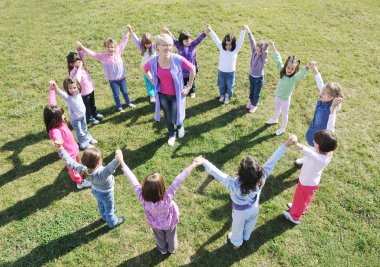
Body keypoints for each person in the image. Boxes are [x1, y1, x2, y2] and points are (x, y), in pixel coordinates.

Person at [196, 135, 297, 249]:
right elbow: (272, 161)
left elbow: (218, 174)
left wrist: (204, 162)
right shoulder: (261, 179)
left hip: (240, 212)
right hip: (254, 208)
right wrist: (285, 145)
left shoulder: (234, 184)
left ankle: (236, 242)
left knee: (237, 228)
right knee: (250, 223)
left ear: (241, 174)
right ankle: (246, 236)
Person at [116, 150, 202, 254]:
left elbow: (133, 180)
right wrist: (193, 164)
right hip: (169, 223)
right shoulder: (167, 198)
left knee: (159, 237)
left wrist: (121, 161)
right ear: (162, 188)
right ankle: (172, 249)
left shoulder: (142, 198)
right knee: (172, 236)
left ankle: (162, 249)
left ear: (144, 189)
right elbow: (178, 180)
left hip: (155, 224)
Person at [283, 97, 342, 224]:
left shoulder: (317, 157)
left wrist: (295, 143)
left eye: (315, 142)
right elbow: (331, 128)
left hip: (306, 182)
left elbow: (306, 151)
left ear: (319, 146)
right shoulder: (328, 151)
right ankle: (301, 207)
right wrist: (332, 110)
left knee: (300, 197)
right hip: (312, 182)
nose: (313, 142)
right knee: (304, 199)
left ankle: (295, 216)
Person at [54, 140, 126, 228]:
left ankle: (104, 216)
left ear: (84, 162)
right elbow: (116, 162)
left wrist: (60, 148)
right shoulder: (103, 173)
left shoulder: (82, 169)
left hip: (96, 191)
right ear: (99, 162)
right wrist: (119, 155)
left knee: (101, 204)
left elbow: (69, 161)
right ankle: (112, 222)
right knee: (109, 209)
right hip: (106, 193)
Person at [143, 34, 196, 147]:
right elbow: (145, 69)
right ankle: (172, 134)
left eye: (170, 45)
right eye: (165, 45)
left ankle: (180, 126)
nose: (168, 48)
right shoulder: (153, 61)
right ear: (158, 47)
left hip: (176, 94)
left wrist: (189, 86)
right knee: (168, 115)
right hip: (162, 94)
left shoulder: (176, 59)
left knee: (176, 113)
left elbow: (192, 68)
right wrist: (153, 81)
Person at [77, 26, 136, 113]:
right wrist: (82, 47)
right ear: (105, 48)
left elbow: (123, 42)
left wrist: (128, 31)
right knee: (116, 94)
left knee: (125, 92)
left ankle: (128, 102)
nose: (110, 49)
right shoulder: (103, 56)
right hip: (113, 81)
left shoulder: (118, 52)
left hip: (122, 78)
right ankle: (119, 106)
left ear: (115, 48)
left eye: (112, 47)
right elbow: (93, 54)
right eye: (108, 47)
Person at [295, 61, 343, 166]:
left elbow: (337, 108)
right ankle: (307, 157)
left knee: (316, 148)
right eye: (321, 92)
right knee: (311, 145)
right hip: (314, 128)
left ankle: (307, 160)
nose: (320, 93)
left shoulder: (332, 106)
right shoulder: (323, 99)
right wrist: (315, 70)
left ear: (330, 97)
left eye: (323, 93)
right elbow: (320, 84)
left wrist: (337, 103)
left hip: (322, 135)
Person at [265, 41, 311, 135]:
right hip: (277, 96)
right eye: (288, 67)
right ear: (286, 66)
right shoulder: (282, 70)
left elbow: (301, 74)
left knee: (285, 114)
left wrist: (307, 67)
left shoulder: (294, 78)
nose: (289, 70)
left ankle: (282, 128)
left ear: (295, 69)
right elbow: (278, 60)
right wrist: (273, 46)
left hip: (285, 100)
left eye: (292, 69)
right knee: (277, 109)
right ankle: (274, 119)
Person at [43, 102, 91, 190]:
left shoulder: (61, 123)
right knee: (73, 170)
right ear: (54, 119)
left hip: (73, 150)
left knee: (76, 163)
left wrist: (53, 90)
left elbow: (52, 101)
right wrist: (58, 141)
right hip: (69, 155)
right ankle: (80, 182)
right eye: (61, 115)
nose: (63, 116)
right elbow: (57, 137)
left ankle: (79, 171)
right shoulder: (55, 131)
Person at [49, 79, 97, 150]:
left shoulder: (78, 92)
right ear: (67, 88)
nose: (73, 90)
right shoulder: (67, 96)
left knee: (85, 128)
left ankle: (89, 139)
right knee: (80, 133)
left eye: (74, 88)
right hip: (75, 119)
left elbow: (78, 76)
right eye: (70, 88)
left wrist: (80, 68)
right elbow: (59, 92)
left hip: (82, 116)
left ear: (77, 86)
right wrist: (55, 86)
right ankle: (84, 144)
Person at [163, 25, 208, 98]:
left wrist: (205, 32)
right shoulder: (179, 45)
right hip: (182, 69)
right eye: (186, 41)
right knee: (183, 80)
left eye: (189, 40)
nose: (188, 42)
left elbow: (199, 39)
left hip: (191, 68)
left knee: (192, 80)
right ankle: (184, 88)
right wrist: (168, 32)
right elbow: (173, 39)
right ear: (182, 41)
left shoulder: (193, 44)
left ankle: (192, 91)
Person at [208, 24, 246, 104]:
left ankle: (227, 96)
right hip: (221, 71)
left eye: (230, 45)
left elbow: (241, 41)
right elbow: (216, 39)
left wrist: (243, 30)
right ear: (224, 43)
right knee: (221, 84)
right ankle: (222, 95)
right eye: (226, 44)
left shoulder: (235, 50)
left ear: (233, 44)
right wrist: (210, 30)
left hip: (230, 72)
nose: (228, 46)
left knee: (230, 85)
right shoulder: (221, 48)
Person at [67, 49, 103, 125]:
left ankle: (94, 113)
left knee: (92, 104)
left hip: (90, 89)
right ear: (71, 64)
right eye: (75, 61)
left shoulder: (82, 65)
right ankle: (90, 117)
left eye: (79, 60)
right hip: (83, 93)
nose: (78, 62)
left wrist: (79, 50)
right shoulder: (72, 72)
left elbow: (82, 56)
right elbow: (76, 79)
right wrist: (77, 68)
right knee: (87, 107)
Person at [129, 26, 157, 103]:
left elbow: (160, 41)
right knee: (149, 81)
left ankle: (157, 92)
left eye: (149, 43)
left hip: (155, 67)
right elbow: (135, 40)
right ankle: (152, 95)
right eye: (146, 44)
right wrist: (131, 31)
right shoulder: (141, 47)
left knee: (156, 80)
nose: (148, 45)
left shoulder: (154, 46)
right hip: (146, 69)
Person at [245, 25, 269, 113]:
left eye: (260, 51)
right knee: (251, 90)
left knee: (256, 93)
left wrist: (266, 45)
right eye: (257, 50)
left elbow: (265, 53)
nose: (257, 52)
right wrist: (248, 31)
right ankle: (251, 101)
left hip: (258, 79)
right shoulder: (254, 52)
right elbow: (252, 42)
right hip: (251, 76)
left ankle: (254, 105)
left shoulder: (262, 58)